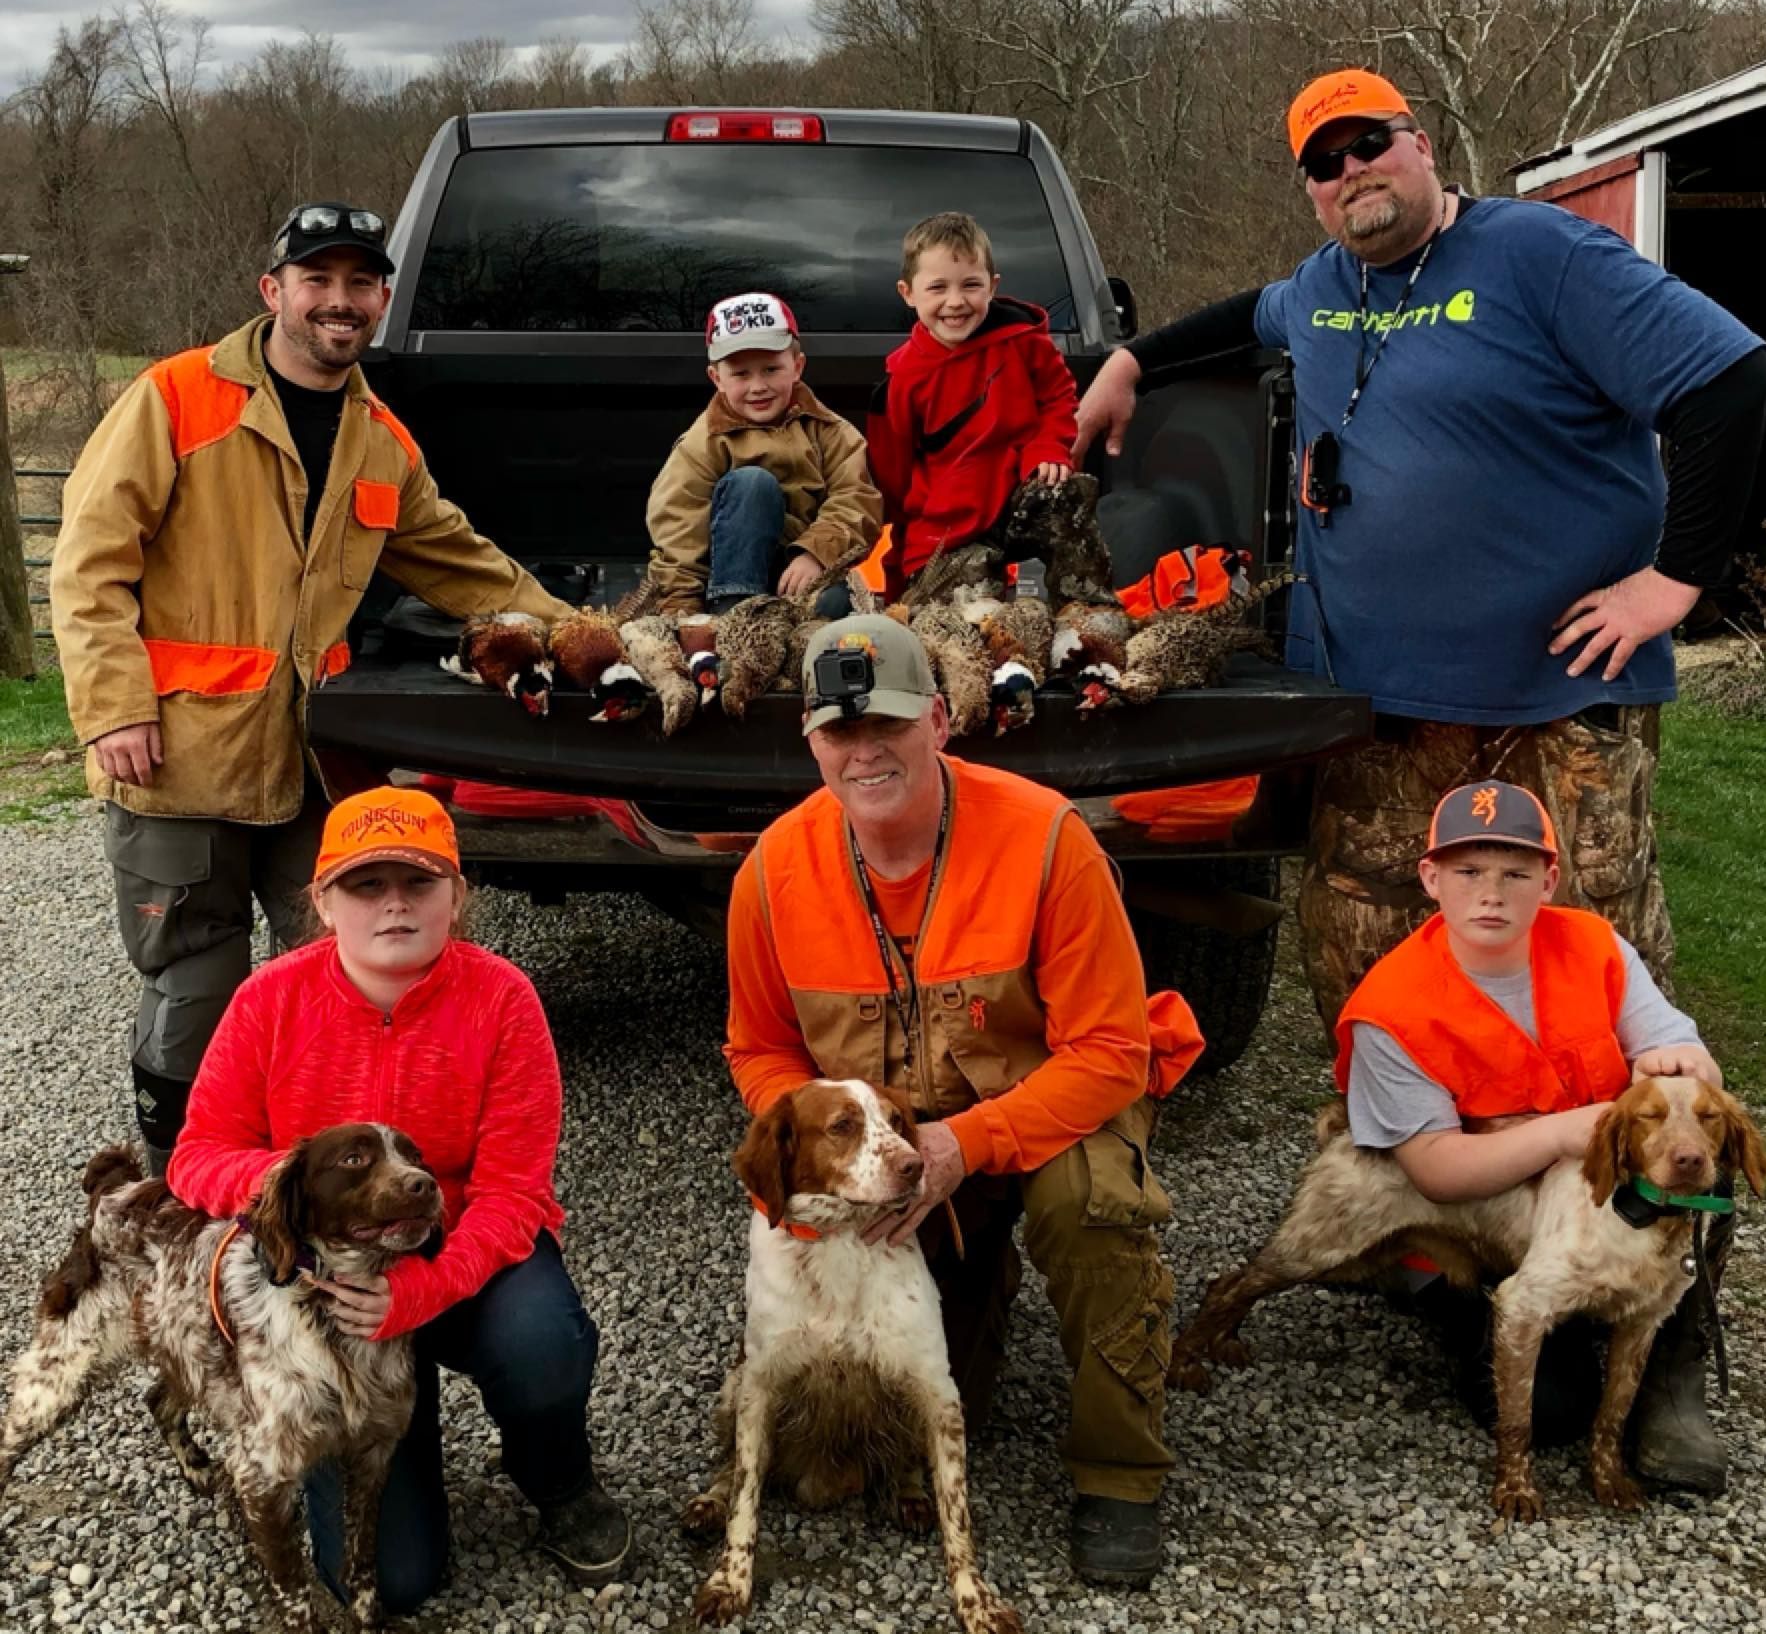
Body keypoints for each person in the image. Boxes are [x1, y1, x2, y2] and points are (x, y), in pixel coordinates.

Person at [1072, 68, 1766, 1053]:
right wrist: (1129, 363)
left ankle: (1606, 1179)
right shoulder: (1320, 287)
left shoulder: (1541, 252)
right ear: (1311, 189)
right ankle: (1411, 1168)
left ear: (1420, 143)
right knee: (1370, 950)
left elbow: (1727, 379)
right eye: (1324, 162)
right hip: (1377, 709)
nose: (1350, 170)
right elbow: (1242, 317)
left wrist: (1671, 581)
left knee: (1587, 956)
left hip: (1554, 696)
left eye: (1368, 143)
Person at [50, 202, 573, 1173]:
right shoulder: (175, 399)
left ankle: (316, 1184)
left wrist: (581, 632)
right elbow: (88, 565)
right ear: (273, 291)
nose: (339, 301)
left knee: (335, 977)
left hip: (307, 761)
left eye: (358, 284)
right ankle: (181, 1183)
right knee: (194, 982)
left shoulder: (379, 436)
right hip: (175, 754)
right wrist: (114, 704)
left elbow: (459, 561)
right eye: (317, 280)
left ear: (380, 297)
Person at [722, 613, 1204, 1587]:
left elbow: (1112, 1048)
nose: (864, 751)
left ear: (939, 720)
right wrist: (831, 1152)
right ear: (810, 740)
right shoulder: (771, 872)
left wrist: (963, 1145)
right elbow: (760, 1048)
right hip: (894, 1154)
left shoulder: (1045, 840)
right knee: (909, 1438)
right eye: (838, 732)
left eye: (888, 725)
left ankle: (1118, 1473)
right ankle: (977, 1272)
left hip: (1040, 1112)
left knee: (1090, 1203)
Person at [167, 785, 628, 1608]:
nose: (394, 906)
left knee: (543, 1344)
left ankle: (560, 1483)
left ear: (457, 894)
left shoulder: (503, 1000)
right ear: (323, 900)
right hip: (324, 1290)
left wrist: (416, 1293)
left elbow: (515, 1194)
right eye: (365, 886)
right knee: (398, 1581)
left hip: (451, 1262)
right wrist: (285, 1202)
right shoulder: (268, 1001)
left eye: (418, 884)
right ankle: (392, 1442)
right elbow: (197, 1156)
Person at [1333, 779, 1733, 1493]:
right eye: (1468, 872)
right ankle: (1437, 1292)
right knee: (1550, 1416)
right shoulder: (1390, 1009)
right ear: (1430, 879)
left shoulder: (1592, 944)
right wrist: (1561, 1134)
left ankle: (1673, 1355)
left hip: (1597, 1204)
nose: (1492, 893)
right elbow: (1436, 1172)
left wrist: (1688, 1064)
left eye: (1516, 873)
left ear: (1549, 880)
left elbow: (1676, 1041)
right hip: (1476, 1222)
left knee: (1702, 1152)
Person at [868, 211, 1118, 600]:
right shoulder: (902, 381)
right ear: (908, 293)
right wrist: (902, 559)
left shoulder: (1023, 342)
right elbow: (894, 481)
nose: (955, 301)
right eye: (937, 288)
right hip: (953, 518)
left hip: (1019, 486)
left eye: (971, 284)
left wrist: (1048, 447)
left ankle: (1083, 609)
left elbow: (1058, 398)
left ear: (992, 286)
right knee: (974, 607)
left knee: (1064, 491)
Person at [645, 290, 881, 617]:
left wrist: (814, 555)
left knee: (842, 603)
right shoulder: (704, 442)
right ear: (717, 378)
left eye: (771, 369)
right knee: (753, 484)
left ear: (797, 367)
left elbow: (857, 499)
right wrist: (681, 610)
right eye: (741, 374)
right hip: (731, 579)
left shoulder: (832, 432)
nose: (758, 386)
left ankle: (804, 637)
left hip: (804, 576)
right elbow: (679, 528)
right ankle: (737, 611)